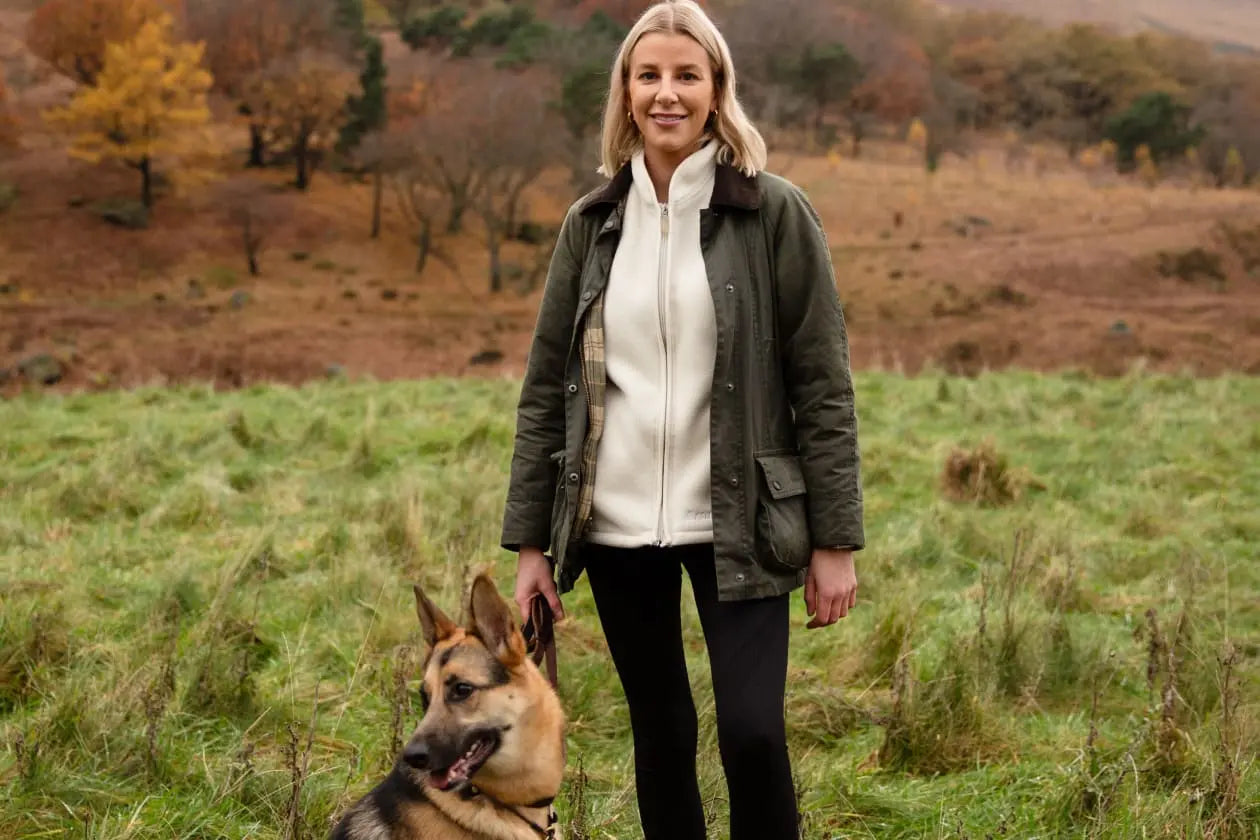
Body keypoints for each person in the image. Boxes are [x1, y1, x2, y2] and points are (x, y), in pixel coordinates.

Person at [500, 2, 863, 838]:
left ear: (717, 90)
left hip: (741, 517)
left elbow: (824, 382)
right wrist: (530, 544)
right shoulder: (590, 226)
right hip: (616, 525)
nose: (667, 94)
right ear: (625, 93)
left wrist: (834, 539)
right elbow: (545, 389)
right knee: (661, 734)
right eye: (649, 75)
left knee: (752, 733)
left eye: (686, 76)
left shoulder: (773, 213)